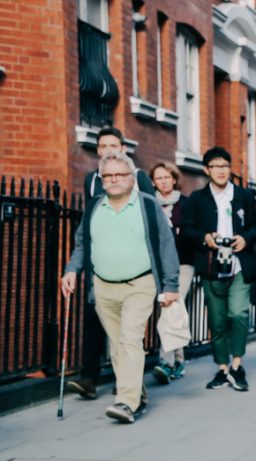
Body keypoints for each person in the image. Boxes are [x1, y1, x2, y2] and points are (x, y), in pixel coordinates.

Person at [60, 152, 179, 424]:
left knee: (129, 339)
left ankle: (127, 402)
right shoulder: (94, 207)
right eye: (108, 176)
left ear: (131, 178)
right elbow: (82, 244)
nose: (113, 180)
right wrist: (71, 270)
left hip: (140, 283)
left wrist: (170, 285)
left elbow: (166, 245)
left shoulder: (147, 206)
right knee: (117, 346)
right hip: (103, 287)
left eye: (119, 175)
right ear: (102, 180)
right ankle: (138, 391)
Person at [66, 127, 156, 401]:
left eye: (113, 145)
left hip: (136, 269)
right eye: (103, 146)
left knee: (129, 334)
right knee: (96, 320)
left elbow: (152, 218)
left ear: (123, 149)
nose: (108, 150)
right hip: (101, 266)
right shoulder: (93, 180)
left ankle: (129, 387)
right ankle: (90, 378)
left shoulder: (138, 177)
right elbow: (90, 223)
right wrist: (75, 267)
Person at [180, 147, 256, 391]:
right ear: (207, 170)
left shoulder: (244, 196)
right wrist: (206, 238)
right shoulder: (197, 198)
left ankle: (237, 364)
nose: (222, 170)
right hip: (211, 266)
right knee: (217, 320)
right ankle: (222, 368)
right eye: (216, 166)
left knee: (238, 314)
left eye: (225, 165)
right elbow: (187, 230)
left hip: (238, 266)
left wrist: (245, 239)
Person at [150, 162, 193, 383]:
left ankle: (165, 362)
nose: (164, 181)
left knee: (171, 304)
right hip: (159, 265)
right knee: (171, 308)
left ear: (174, 179)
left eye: (167, 177)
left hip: (183, 263)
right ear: (153, 182)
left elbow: (190, 233)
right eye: (159, 178)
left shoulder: (185, 204)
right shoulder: (149, 205)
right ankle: (178, 360)